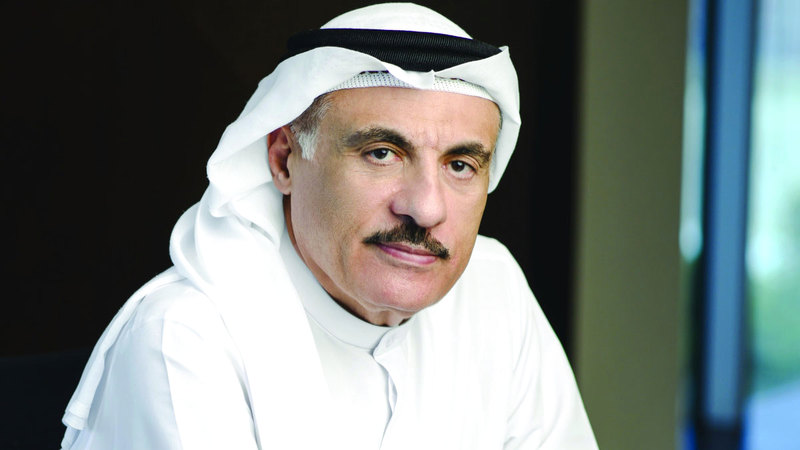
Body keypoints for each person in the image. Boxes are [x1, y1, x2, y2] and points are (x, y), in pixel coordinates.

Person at [61, 3, 597, 449]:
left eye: (460, 165)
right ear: (284, 159)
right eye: (381, 153)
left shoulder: (493, 287)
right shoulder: (185, 338)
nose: (425, 209)